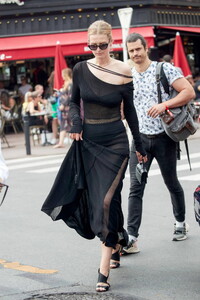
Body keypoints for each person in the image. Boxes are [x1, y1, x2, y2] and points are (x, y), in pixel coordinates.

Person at [41, 20, 147, 292]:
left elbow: (131, 111)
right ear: (88, 44)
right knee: (106, 198)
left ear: (111, 43)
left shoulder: (124, 71)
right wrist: (75, 123)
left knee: (106, 199)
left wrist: (139, 143)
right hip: (89, 141)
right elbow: (74, 102)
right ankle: (117, 238)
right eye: (93, 45)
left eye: (102, 45)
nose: (98, 49)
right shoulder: (80, 69)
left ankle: (102, 271)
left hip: (115, 142)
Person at [121, 33, 195, 255]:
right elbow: (127, 108)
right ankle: (132, 237)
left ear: (146, 48)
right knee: (136, 187)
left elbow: (189, 92)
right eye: (131, 50)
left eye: (138, 49)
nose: (135, 54)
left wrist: (164, 105)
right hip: (140, 139)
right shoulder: (128, 75)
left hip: (164, 137)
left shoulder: (164, 69)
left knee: (171, 182)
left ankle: (180, 223)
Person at [53, 68, 72, 148]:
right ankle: (61, 142)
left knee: (70, 123)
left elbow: (69, 96)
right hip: (65, 108)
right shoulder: (67, 83)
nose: (62, 76)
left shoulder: (71, 84)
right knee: (64, 124)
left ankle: (62, 142)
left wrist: (63, 104)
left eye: (63, 75)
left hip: (68, 108)